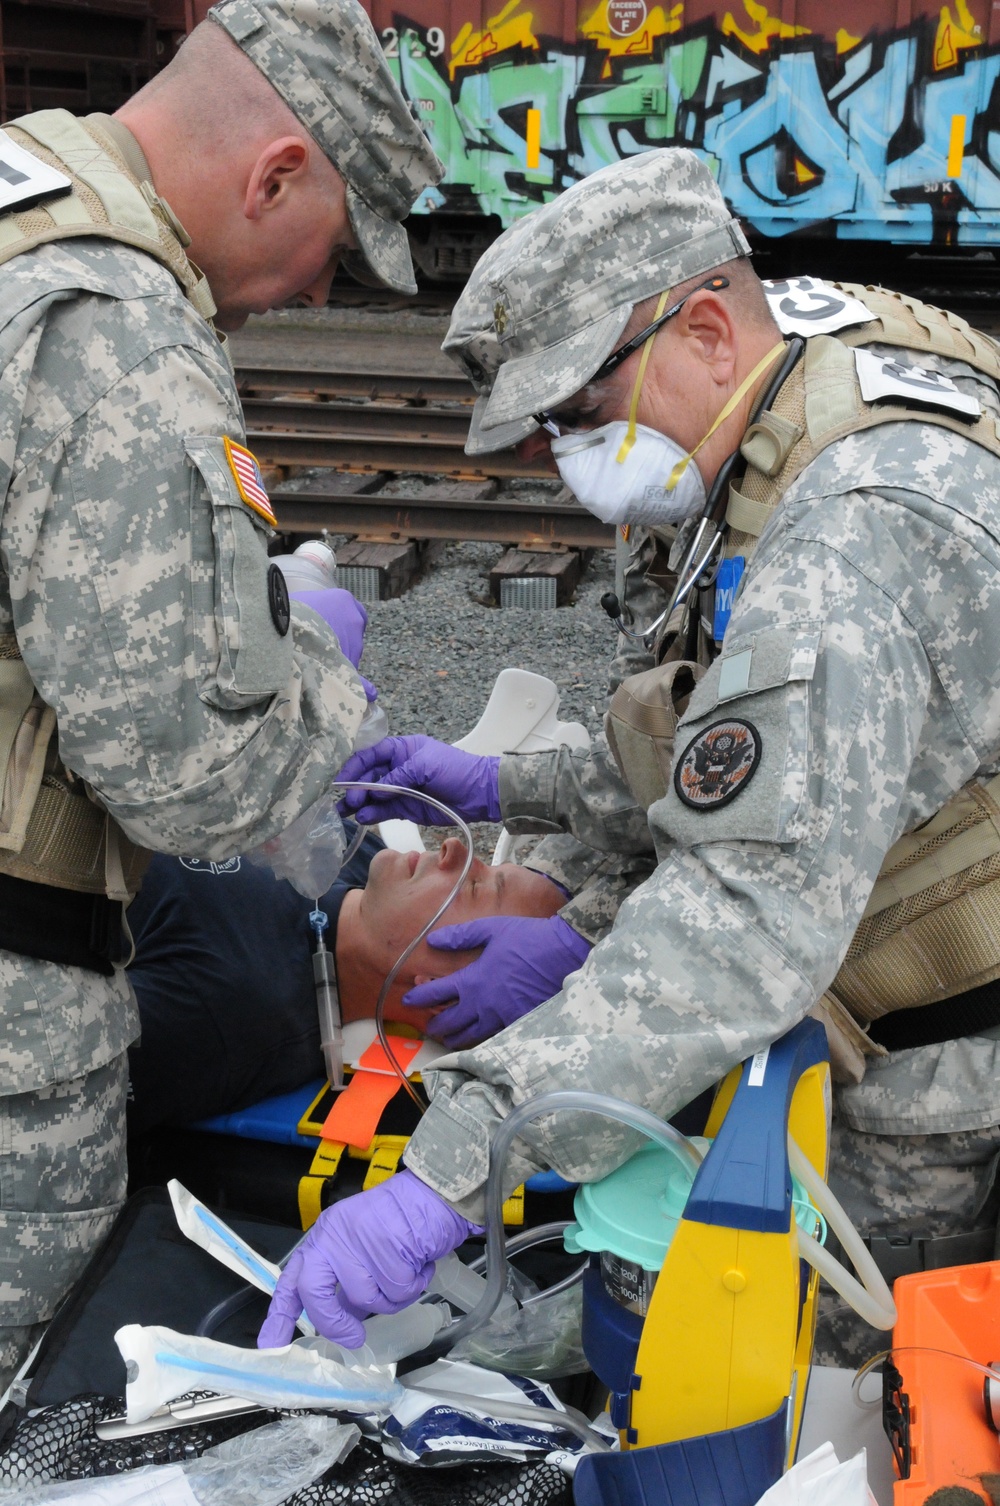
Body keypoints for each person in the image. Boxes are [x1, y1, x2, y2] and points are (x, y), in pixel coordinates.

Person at [261, 147, 1000, 1364]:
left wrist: (445, 1176)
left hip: (941, 1029)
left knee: (832, 1378)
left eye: (580, 416)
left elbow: (740, 920)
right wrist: (517, 786)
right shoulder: (802, 379)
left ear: (705, 326)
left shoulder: (847, 545)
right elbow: (735, 731)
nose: (566, 458)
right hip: (886, 921)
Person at [0, 0, 443, 1385]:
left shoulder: (21, 202)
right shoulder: (119, 331)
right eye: (333, 255)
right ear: (275, 175)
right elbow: (184, 769)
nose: (316, 295)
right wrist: (347, 736)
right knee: (37, 1395)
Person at [127, 831, 568, 1133]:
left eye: (475, 887)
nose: (456, 847)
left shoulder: (227, 1009)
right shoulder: (356, 855)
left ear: (444, 992)